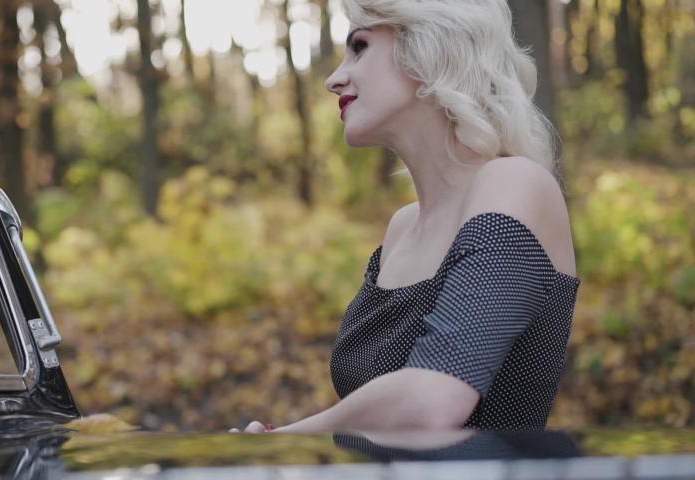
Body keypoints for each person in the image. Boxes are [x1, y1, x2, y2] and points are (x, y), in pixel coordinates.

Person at [232, 0, 580, 434]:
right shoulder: (400, 230)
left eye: (360, 47)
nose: (333, 79)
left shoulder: (516, 184)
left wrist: (280, 444)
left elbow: (434, 401)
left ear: (431, 46)